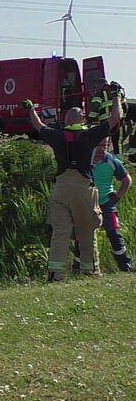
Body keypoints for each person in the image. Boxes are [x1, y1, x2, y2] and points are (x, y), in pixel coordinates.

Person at [26, 92, 121, 280]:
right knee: (87, 230)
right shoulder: (90, 135)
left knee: (60, 232)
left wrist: (30, 108)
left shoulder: (58, 136)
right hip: (83, 188)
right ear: (83, 118)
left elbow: (38, 125)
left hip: (61, 188)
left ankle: (55, 274)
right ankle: (91, 271)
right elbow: (115, 118)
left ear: (67, 120)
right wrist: (116, 96)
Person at [91, 138, 132, 271]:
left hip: (106, 202)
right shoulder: (84, 159)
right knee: (83, 236)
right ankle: (81, 267)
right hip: (87, 203)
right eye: (99, 145)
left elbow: (127, 180)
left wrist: (117, 196)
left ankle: (125, 265)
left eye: (105, 145)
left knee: (114, 232)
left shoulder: (111, 161)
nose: (102, 149)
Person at [89, 82, 121, 152]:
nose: (96, 89)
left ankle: (103, 157)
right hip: (117, 121)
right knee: (116, 142)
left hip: (105, 122)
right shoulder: (116, 93)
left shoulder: (100, 94)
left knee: (103, 142)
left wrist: (90, 120)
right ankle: (118, 158)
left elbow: (95, 107)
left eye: (96, 87)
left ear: (101, 85)